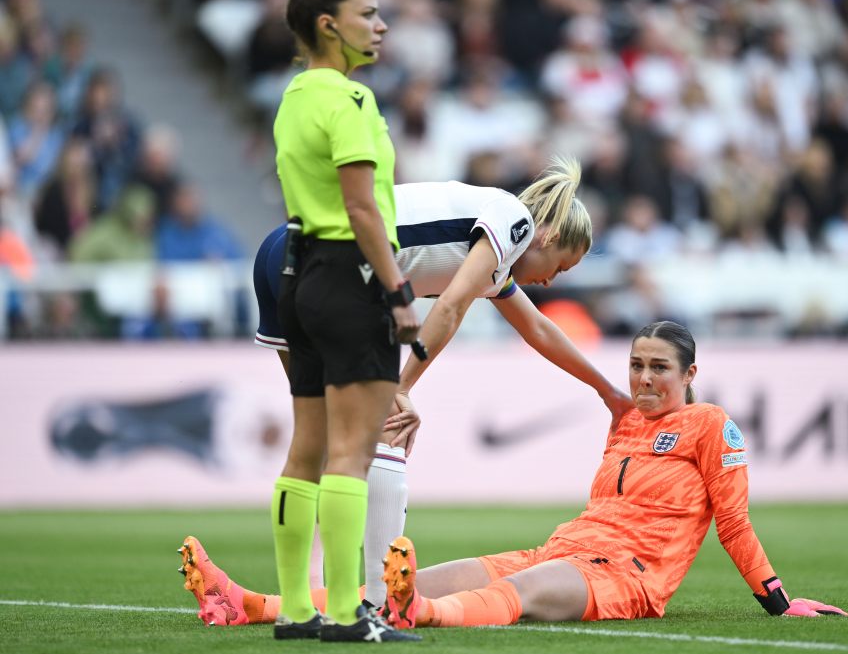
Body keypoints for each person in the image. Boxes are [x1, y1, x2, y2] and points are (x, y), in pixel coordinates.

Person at [178, 321, 848, 627]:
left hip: (628, 575)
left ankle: (420, 615)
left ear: (689, 375)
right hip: (561, 548)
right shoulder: (624, 421)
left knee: (517, 593)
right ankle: (252, 603)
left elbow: (731, 519)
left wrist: (776, 597)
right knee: (420, 575)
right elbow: (538, 329)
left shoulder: (710, 425)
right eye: (636, 364)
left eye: (659, 368)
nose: (642, 377)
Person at [208, 158, 633, 620]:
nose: (551, 279)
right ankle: (379, 605)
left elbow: (537, 328)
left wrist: (605, 389)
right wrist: (401, 388)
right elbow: (450, 307)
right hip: (342, 263)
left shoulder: (493, 261)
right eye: (561, 266)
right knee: (388, 428)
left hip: (281, 251)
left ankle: (307, 601)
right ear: (548, 237)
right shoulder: (515, 221)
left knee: (326, 437)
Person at [265, 0, 420, 643]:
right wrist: (398, 291)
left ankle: (298, 609)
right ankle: (345, 612)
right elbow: (361, 205)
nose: (380, 25)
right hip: (350, 276)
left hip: (298, 277)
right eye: (367, 13)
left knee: (307, 451)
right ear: (329, 24)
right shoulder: (352, 101)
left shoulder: (294, 94)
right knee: (351, 454)